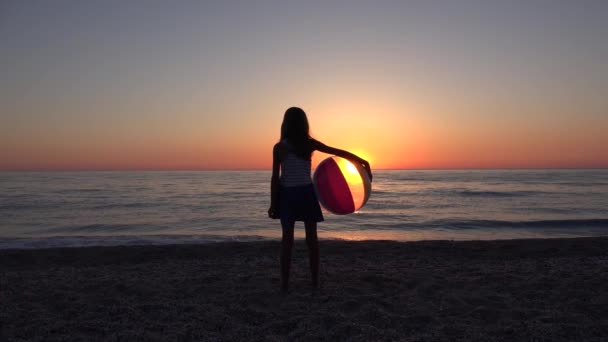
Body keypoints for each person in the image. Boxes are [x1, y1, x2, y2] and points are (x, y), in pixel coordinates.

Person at [268, 107, 372, 292]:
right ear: (304, 124)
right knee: (312, 241)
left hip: (288, 195)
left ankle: (285, 285)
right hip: (306, 194)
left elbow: (275, 178)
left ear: (285, 124)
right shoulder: (309, 144)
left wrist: (273, 203)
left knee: (287, 241)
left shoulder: (279, 148)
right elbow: (338, 152)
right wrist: (363, 161)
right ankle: (314, 283)